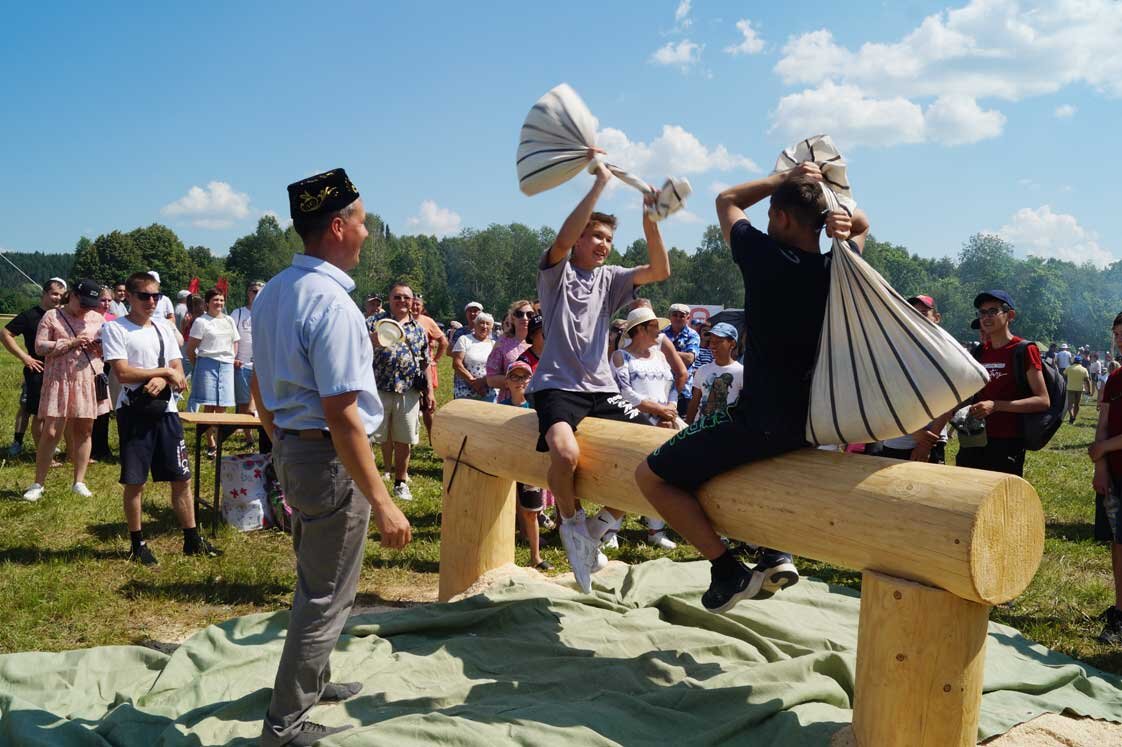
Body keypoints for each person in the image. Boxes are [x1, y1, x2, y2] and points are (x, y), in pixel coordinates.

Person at [635, 161, 869, 613]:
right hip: (816, 423)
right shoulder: (841, 264)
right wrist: (844, 220)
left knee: (650, 476)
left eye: (770, 215)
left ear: (780, 216)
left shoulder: (763, 257)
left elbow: (726, 200)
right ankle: (773, 549)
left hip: (761, 420)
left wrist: (784, 179)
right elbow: (862, 224)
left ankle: (726, 568)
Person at [253, 168, 411, 746]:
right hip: (328, 459)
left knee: (315, 580)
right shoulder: (334, 304)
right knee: (324, 596)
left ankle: (310, 683)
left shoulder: (274, 291)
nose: (368, 233)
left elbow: (256, 385)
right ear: (339, 227)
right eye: (364, 222)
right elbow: (345, 418)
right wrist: (385, 500)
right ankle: (284, 724)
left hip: (298, 453)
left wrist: (280, 444)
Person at [527, 163, 670, 594]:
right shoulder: (557, 273)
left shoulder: (612, 279)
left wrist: (650, 221)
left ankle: (599, 525)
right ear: (579, 240)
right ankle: (570, 524)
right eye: (596, 236)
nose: (604, 244)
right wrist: (600, 185)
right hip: (556, 385)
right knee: (565, 453)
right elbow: (562, 240)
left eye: (609, 238)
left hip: (603, 389)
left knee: (658, 455)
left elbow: (660, 269)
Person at [101, 272, 216, 563]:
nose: (152, 301)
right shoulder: (117, 329)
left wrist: (166, 379)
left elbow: (177, 367)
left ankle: (191, 538)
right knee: (135, 481)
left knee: (181, 477)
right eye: (144, 296)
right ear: (128, 296)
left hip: (166, 411)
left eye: (156, 296)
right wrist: (162, 372)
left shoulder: (165, 328)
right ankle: (137, 543)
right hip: (135, 412)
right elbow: (123, 372)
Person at [21, 279, 111, 501]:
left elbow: (108, 349)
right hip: (59, 380)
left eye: (91, 304)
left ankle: (79, 482)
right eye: (83, 303)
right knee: (51, 431)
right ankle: (38, 483)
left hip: (87, 379)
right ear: (72, 296)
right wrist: (70, 343)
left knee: (85, 430)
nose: (86, 308)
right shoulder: (52, 316)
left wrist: (97, 347)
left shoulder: (97, 318)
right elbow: (39, 347)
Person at [956, 290, 1050, 477]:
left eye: (993, 311)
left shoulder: (1024, 349)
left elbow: (1042, 400)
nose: (986, 317)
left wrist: (996, 406)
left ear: (1010, 315)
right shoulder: (979, 352)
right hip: (974, 439)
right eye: (982, 312)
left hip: (1007, 442)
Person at [610, 307, 681, 550]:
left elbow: (672, 385)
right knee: (626, 476)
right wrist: (657, 410)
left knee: (663, 476)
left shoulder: (660, 356)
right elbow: (624, 392)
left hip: (664, 423)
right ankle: (610, 530)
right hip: (635, 424)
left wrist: (670, 408)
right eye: (654, 327)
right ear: (639, 329)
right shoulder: (620, 357)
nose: (658, 332)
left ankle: (656, 530)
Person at [370, 281, 433, 500]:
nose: (402, 301)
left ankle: (401, 482)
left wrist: (430, 392)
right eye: (397, 297)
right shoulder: (375, 322)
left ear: (413, 301)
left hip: (408, 391)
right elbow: (357, 349)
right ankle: (368, 484)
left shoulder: (418, 330)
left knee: (404, 438)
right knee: (371, 436)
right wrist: (372, 342)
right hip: (377, 389)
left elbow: (425, 362)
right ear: (390, 300)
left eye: (406, 297)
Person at [878, 295, 952, 463]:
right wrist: (916, 432)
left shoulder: (947, 353)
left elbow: (951, 399)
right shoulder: (895, 352)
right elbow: (888, 395)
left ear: (937, 318)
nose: (917, 319)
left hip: (933, 440)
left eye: (924, 313)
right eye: (912, 313)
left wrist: (926, 442)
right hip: (897, 440)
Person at [2, 279, 64, 456]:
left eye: (61, 295)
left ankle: (48, 444)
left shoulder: (62, 316)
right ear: (44, 293)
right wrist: (25, 357)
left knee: (53, 411)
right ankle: (19, 442)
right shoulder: (30, 315)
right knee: (30, 408)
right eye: (54, 294)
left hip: (58, 371)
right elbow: (5, 333)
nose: (57, 298)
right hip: (36, 370)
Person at [505, 360, 552, 570]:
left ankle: (536, 557)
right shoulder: (499, 408)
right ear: (507, 381)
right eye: (514, 377)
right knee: (504, 511)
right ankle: (504, 556)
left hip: (529, 466)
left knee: (531, 512)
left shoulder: (537, 406)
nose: (519, 381)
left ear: (531, 379)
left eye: (524, 376)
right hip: (504, 466)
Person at [186, 289, 240, 455]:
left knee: (222, 405)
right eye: (216, 300)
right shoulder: (202, 322)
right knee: (209, 405)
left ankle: (219, 439)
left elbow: (235, 341)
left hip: (226, 365)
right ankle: (211, 443)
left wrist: (231, 358)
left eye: (222, 300)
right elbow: (191, 349)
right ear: (207, 303)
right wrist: (199, 366)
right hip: (207, 364)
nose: (219, 303)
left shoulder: (229, 320)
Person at [684, 322, 743, 425]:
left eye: (719, 342)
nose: (713, 346)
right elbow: (694, 403)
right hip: (700, 430)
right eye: (711, 341)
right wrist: (687, 429)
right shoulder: (702, 370)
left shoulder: (741, 372)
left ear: (732, 344)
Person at [229, 281, 263, 441]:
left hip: (261, 364)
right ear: (248, 293)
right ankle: (246, 433)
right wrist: (233, 357)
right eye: (253, 290)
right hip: (241, 362)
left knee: (260, 400)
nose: (256, 294)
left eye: (260, 291)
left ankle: (255, 431)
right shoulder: (238, 312)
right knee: (243, 400)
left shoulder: (268, 312)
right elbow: (231, 337)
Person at [411, 294, 447, 440]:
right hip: (407, 368)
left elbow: (443, 341)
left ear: (422, 307)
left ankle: (433, 437)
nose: (415, 307)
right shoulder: (401, 320)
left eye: (418, 304)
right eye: (413, 304)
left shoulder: (428, 321)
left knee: (428, 404)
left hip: (425, 367)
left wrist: (435, 360)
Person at [487, 300, 534, 404]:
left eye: (530, 314)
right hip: (509, 403)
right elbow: (490, 379)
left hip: (536, 404)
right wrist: (517, 382)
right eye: (519, 314)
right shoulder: (502, 343)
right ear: (513, 318)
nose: (525, 318)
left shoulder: (541, 342)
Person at [90, 286, 117, 462]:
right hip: (90, 367)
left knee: (104, 409)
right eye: (102, 300)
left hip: (108, 368)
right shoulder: (88, 318)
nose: (106, 304)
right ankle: (88, 447)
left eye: (109, 300)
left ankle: (102, 447)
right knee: (90, 409)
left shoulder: (114, 320)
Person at [662, 303, 700, 417]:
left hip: (683, 390)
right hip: (662, 386)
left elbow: (689, 358)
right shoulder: (661, 333)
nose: (678, 318)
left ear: (688, 318)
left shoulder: (693, 335)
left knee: (680, 426)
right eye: (675, 315)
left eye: (682, 316)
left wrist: (666, 352)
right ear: (670, 316)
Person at [451, 313, 497, 401]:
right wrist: (474, 383)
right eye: (481, 323)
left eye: (488, 324)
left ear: (491, 328)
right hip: (465, 391)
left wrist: (483, 382)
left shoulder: (494, 344)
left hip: (488, 391)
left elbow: (496, 368)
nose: (484, 326)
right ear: (475, 325)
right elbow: (457, 364)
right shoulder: (464, 339)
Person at [1065, 355, 1091, 424]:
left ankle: (1071, 416)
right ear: (1080, 362)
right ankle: (1074, 417)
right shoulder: (1084, 369)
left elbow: (1064, 375)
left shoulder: (1069, 368)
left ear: (1074, 361)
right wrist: (1089, 390)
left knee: (1070, 404)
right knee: (1077, 404)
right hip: (1079, 389)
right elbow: (1087, 380)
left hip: (1070, 388)